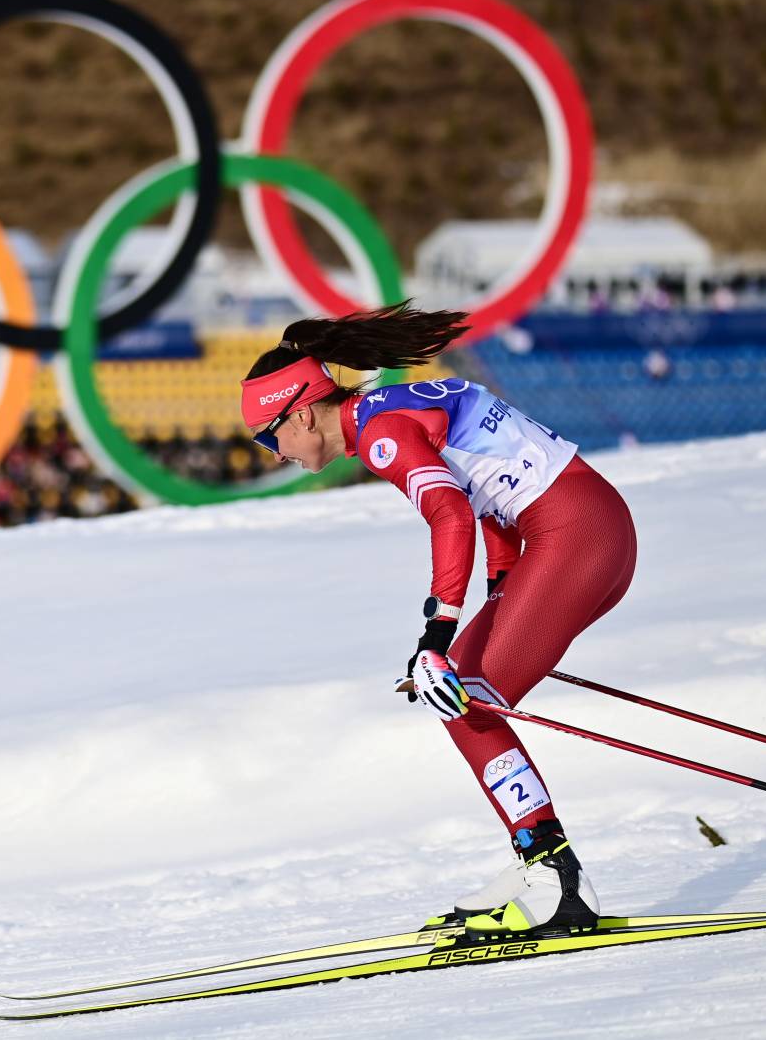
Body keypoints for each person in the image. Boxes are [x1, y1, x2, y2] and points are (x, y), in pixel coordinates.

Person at [239, 301, 637, 935]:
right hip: (589, 533)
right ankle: (539, 861)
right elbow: (491, 492)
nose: (273, 451)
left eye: (270, 435)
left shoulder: (379, 432)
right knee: (462, 692)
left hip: (577, 541)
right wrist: (502, 597)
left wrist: (436, 637)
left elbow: (450, 512)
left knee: (463, 695)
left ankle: (555, 874)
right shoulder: (389, 407)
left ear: (301, 411)